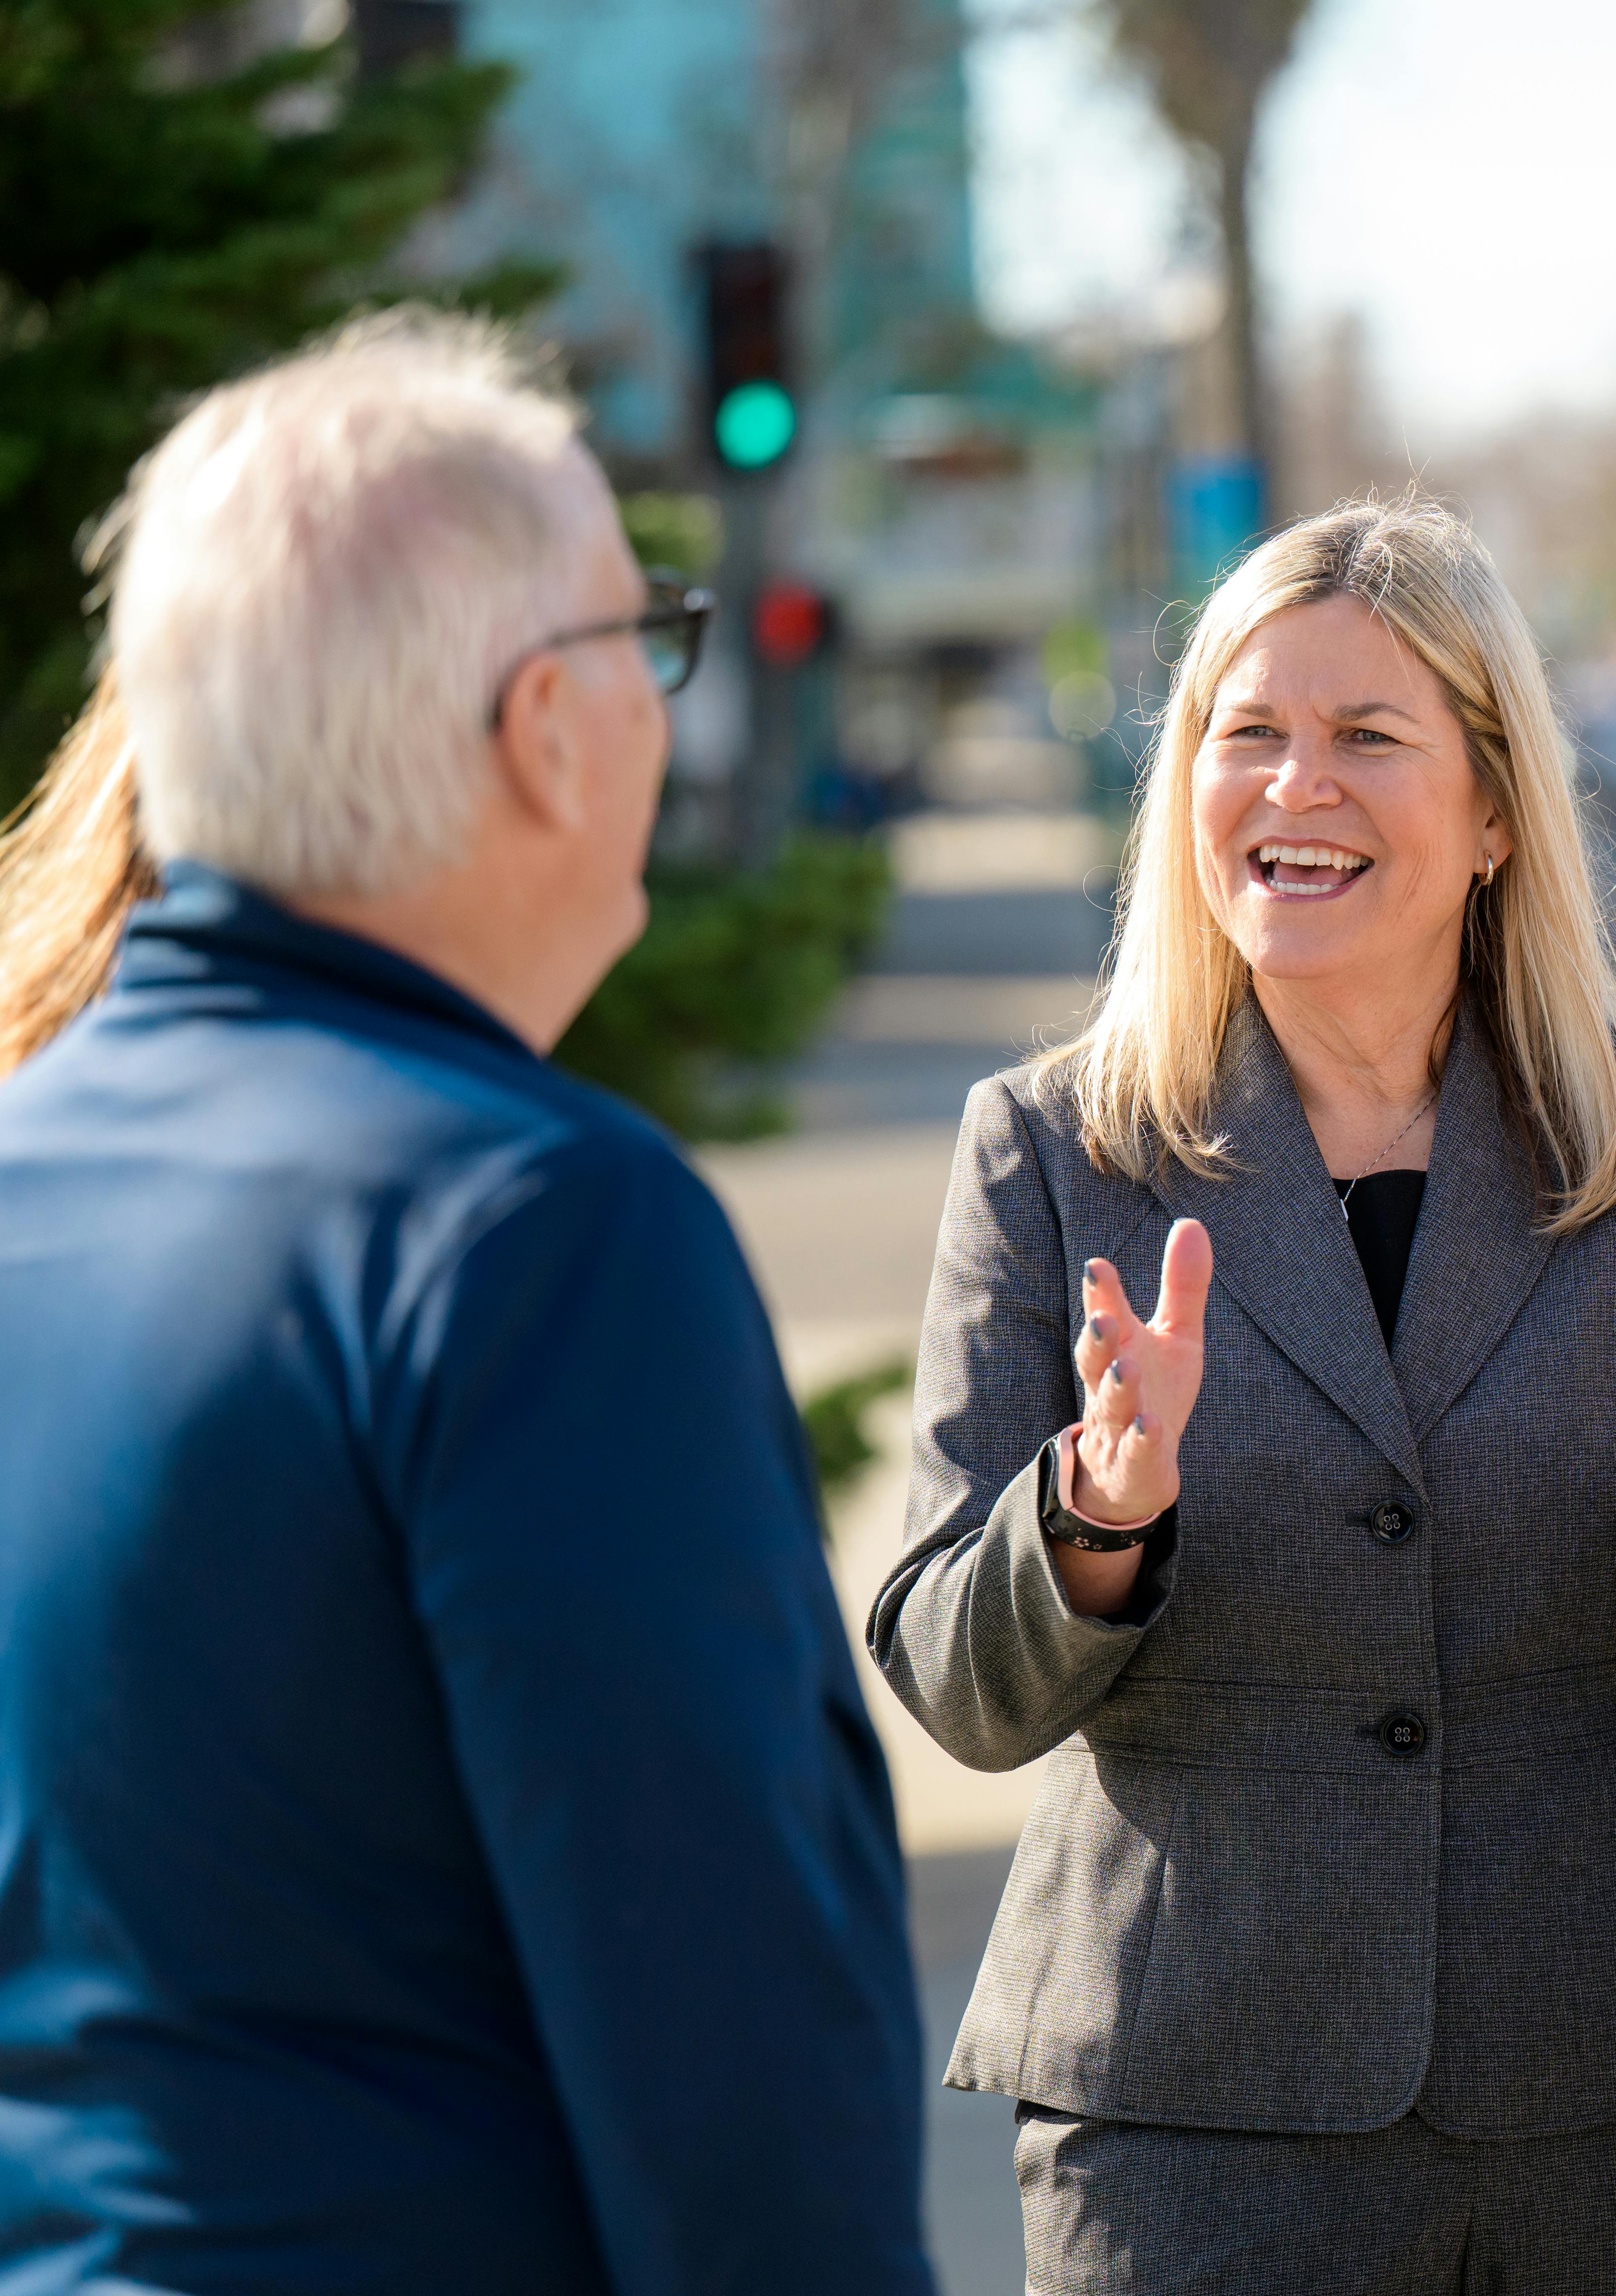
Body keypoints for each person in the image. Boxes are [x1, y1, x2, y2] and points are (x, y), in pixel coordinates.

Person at [869, 496, 1616, 2295]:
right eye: (1245, 735)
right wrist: (1095, 1517)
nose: (1295, 786)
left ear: (1496, 812)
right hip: (1200, 2129)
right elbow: (957, 1684)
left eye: (1366, 737)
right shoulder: (1048, 1151)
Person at [0, 314, 933, 2290]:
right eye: (642, 635)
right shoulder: (535, 1232)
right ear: (541, 725)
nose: (663, 702)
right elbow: (735, 2063)